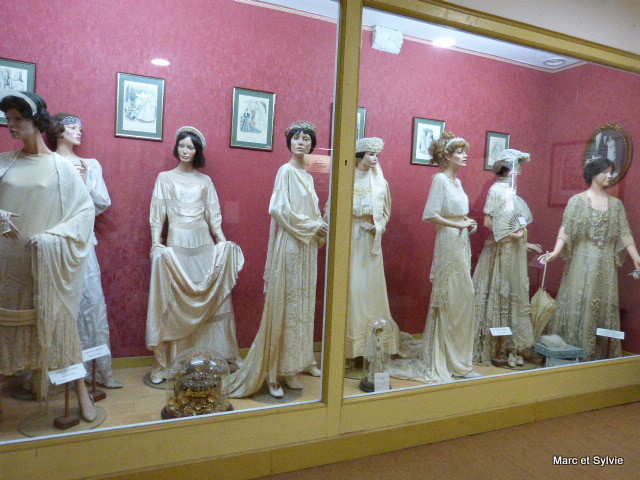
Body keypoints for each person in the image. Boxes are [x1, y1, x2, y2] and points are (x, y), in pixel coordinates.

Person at [0, 91, 96, 421]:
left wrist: (51, 239)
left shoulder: (61, 168)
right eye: (8, 119)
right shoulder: (4, 163)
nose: (11, 125)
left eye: (18, 118)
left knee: (59, 327)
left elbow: (84, 212)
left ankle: (81, 393)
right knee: (5, 328)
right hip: (6, 263)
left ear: (37, 120)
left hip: (45, 262)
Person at [226, 121, 327, 398]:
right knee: (287, 306)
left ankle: (296, 362)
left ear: (312, 144)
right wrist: (312, 226)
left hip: (307, 247)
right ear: (289, 142)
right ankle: (275, 371)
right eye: (297, 138)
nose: (301, 142)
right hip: (292, 244)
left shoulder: (307, 176)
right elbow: (278, 209)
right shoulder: (285, 171)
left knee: (303, 305)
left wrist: (320, 225)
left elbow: (310, 210)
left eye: (306, 139)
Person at [146, 126, 244, 383]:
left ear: (197, 151)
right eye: (181, 146)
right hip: (177, 243)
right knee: (179, 301)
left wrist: (222, 243)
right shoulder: (165, 178)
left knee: (209, 299)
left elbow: (214, 215)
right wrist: (156, 243)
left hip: (203, 244)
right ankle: (173, 361)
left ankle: (215, 355)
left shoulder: (205, 181)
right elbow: (158, 212)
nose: (185, 151)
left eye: (190, 147)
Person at [46, 112, 122, 388]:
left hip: (83, 241)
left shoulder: (90, 165)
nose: (79, 132)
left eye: (80, 127)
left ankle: (97, 372)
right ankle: (58, 376)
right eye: (72, 127)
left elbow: (100, 203)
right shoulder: (47, 162)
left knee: (91, 302)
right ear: (58, 130)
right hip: (55, 240)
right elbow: (46, 203)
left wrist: (84, 181)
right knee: (57, 304)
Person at [539, 156, 640, 359]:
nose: (609, 176)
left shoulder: (616, 205)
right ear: (593, 174)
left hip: (606, 263)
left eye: (611, 172)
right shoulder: (577, 201)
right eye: (605, 172)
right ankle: (573, 351)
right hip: (581, 261)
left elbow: (624, 233)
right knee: (579, 301)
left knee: (602, 306)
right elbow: (566, 229)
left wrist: (636, 257)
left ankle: (597, 355)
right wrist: (556, 252)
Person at [419, 131, 481, 382]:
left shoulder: (458, 182)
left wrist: (468, 222)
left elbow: (457, 213)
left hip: (461, 240)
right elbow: (430, 214)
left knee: (463, 296)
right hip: (448, 241)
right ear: (447, 156)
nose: (465, 156)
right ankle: (445, 358)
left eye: (465, 152)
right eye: (459, 152)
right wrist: (457, 225)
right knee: (452, 295)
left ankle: (459, 358)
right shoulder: (440, 180)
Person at [472, 150, 541, 367]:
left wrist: (523, 242)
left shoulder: (512, 191)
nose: (520, 169)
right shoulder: (496, 190)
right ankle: (495, 347)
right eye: (518, 165)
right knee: (500, 292)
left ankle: (510, 346)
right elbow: (488, 222)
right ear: (509, 167)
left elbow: (515, 220)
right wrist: (511, 235)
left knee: (512, 293)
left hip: (514, 250)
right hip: (501, 249)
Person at [345, 137, 399, 362]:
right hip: (349, 238)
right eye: (370, 154)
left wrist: (377, 227)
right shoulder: (346, 178)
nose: (375, 158)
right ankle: (350, 350)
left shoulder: (380, 183)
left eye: (376, 155)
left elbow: (385, 212)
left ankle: (373, 347)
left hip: (370, 242)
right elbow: (332, 208)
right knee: (352, 290)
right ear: (360, 156)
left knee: (370, 290)